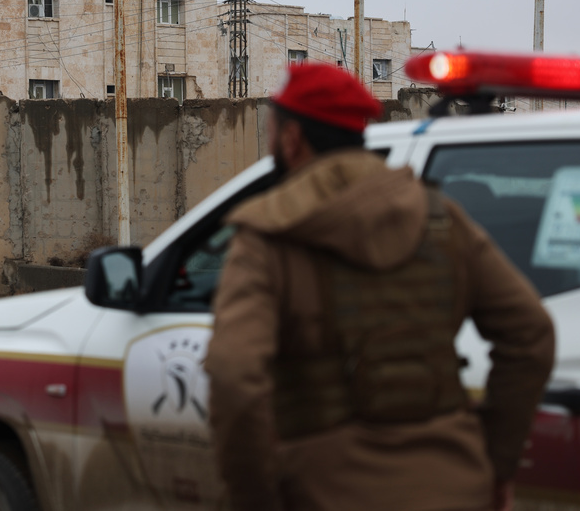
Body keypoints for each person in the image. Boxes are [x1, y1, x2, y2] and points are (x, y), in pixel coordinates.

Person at [205, 64, 554, 511]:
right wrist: (496, 462)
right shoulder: (442, 218)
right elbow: (531, 333)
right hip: (457, 487)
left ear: (291, 139)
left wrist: (256, 498)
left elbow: (234, 377)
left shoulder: (268, 235)